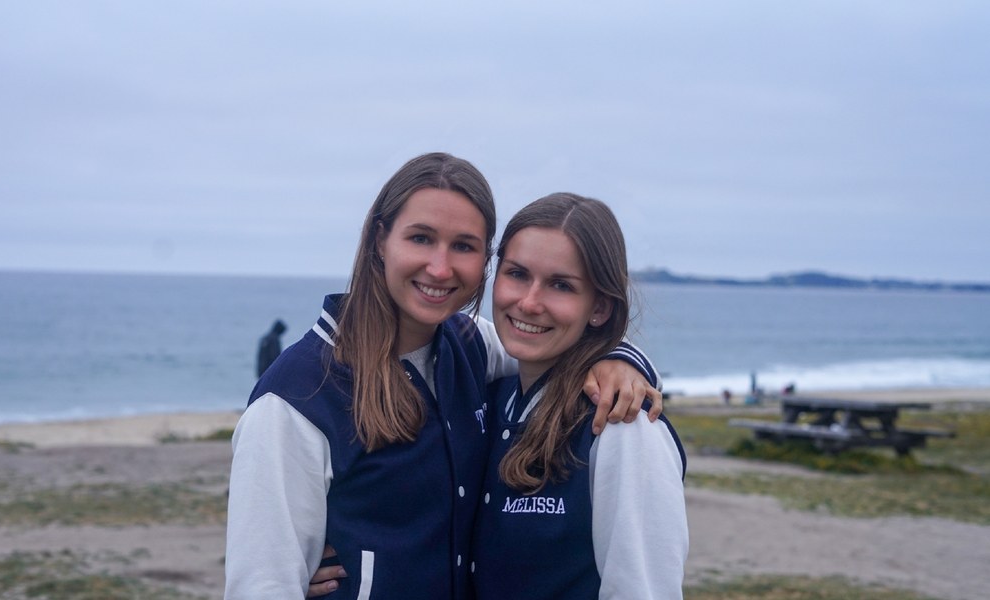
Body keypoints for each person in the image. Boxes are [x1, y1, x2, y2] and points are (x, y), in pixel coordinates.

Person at [225, 154, 663, 599]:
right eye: (420, 238)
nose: (439, 267)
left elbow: (552, 350)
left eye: (464, 246)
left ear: (484, 260)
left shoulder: (470, 347)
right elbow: (261, 584)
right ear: (380, 239)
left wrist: (622, 360)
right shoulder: (298, 396)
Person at [472, 193, 688, 599]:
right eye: (517, 274)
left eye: (561, 285)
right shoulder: (490, 394)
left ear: (600, 308)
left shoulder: (622, 426)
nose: (529, 302)